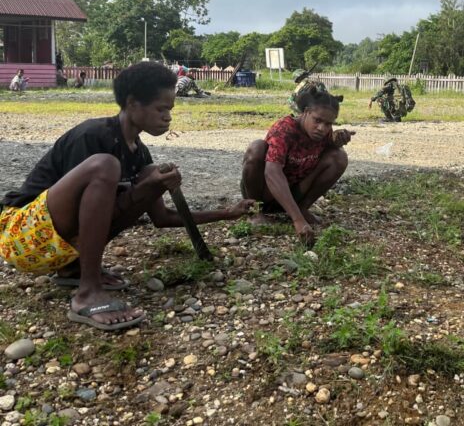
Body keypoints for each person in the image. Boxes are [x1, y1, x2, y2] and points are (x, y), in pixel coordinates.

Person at [0, 62, 254, 331]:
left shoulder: (140, 153)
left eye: (170, 110)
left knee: (151, 174)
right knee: (106, 166)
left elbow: (162, 218)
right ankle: (88, 291)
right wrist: (145, 188)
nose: (167, 117)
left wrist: (228, 213)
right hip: (20, 237)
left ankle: (73, 269)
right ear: (132, 104)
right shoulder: (92, 136)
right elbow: (79, 214)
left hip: (57, 246)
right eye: (161, 109)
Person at [241, 88, 354, 247]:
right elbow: (272, 172)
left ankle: (302, 208)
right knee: (256, 147)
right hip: (265, 192)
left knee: (339, 156)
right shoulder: (285, 129)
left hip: (294, 192)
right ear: (306, 112)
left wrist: (338, 140)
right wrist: (297, 220)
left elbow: (329, 150)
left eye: (328, 124)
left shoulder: (323, 133)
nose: (322, 128)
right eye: (317, 120)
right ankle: (254, 212)